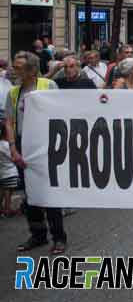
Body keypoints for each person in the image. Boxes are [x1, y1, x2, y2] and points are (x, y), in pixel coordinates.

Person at [5, 51, 66, 253]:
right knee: (30, 194)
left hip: (45, 144)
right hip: (23, 145)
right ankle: (38, 235)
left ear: (31, 70)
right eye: (14, 66)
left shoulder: (47, 85)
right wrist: (13, 148)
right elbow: (9, 122)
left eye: (19, 67)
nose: (14, 70)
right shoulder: (13, 92)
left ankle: (58, 237)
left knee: (49, 192)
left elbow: (62, 113)